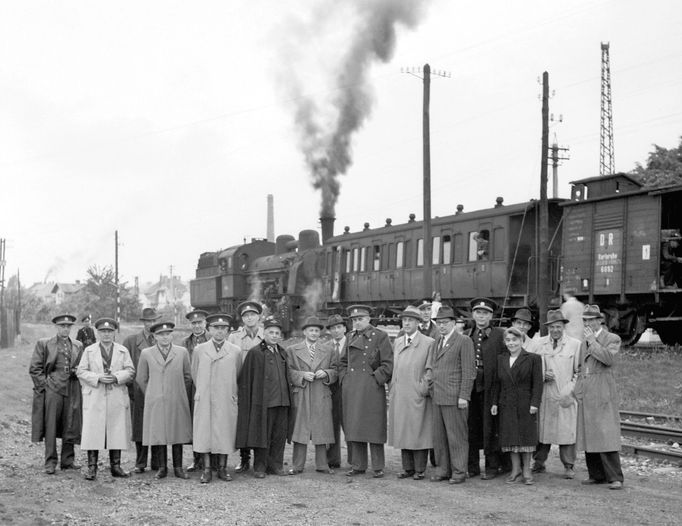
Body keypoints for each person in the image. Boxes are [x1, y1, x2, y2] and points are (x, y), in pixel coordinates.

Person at [77, 318, 134, 481]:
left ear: (114, 332)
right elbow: (80, 371)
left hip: (116, 393)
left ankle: (115, 466)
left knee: (116, 429)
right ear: (97, 333)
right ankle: (92, 467)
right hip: (96, 394)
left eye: (109, 331)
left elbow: (130, 370)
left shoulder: (122, 350)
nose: (106, 334)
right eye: (103, 331)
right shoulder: (89, 351)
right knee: (93, 430)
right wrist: (98, 377)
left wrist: (117, 377)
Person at [339, 305, 393, 478]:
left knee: (374, 426)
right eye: (354, 320)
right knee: (354, 426)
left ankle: (378, 466)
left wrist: (374, 378)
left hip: (371, 389)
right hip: (352, 388)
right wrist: (345, 379)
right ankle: (358, 465)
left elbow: (388, 364)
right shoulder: (349, 337)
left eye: (360, 319)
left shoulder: (381, 336)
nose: (357, 322)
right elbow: (342, 362)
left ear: (369, 319)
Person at [235, 316, 293, 479]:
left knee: (279, 435)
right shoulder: (255, 353)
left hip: (282, 401)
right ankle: (260, 466)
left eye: (277, 333)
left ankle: (276, 465)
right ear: (264, 333)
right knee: (262, 435)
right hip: (264, 402)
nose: (274, 335)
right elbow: (246, 380)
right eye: (271, 332)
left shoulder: (282, 352)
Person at [575, 304, 625, 490]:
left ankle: (615, 477)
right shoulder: (583, 343)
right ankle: (596, 474)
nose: (588, 323)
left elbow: (609, 359)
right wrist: (578, 391)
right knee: (590, 433)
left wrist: (592, 342)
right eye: (585, 320)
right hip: (587, 392)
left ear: (599, 320)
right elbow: (581, 368)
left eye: (591, 319)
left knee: (606, 433)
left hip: (603, 390)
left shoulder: (612, 338)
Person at [425, 306, 475, 484]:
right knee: (439, 437)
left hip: (454, 397)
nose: (442, 326)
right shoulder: (436, 340)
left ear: (454, 323)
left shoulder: (463, 341)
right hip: (437, 396)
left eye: (445, 322)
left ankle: (459, 471)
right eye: (439, 323)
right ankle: (442, 470)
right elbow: (433, 365)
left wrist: (464, 396)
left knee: (456, 437)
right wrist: (431, 386)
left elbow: (469, 371)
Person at [136, 321, 192, 480]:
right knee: (158, 433)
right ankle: (162, 467)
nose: (165, 337)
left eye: (168, 334)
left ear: (172, 335)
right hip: (156, 400)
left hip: (177, 398)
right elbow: (141, 378)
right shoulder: (147, 353)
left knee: (178, 432)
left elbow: (187, 377)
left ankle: (178, 467)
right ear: (154, 336)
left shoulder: (182, 352)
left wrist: (180, 392)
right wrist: (153, 393)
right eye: (161, 334)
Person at [192, 313, 243, 483]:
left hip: (226, 397)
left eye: (223, 328)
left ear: (228, 331)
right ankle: (207, 469)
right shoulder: (199, 350)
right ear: (209, 330)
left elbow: (238, 374)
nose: (220, 331)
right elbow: (194, 373)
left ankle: (222, 468)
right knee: (204, 432)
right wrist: (204, 389)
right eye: (216, 328)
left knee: (225, 432)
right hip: (205, 397)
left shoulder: (235, 351)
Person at [29, 314, 83, 474]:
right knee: (51, 425)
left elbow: (82, 365)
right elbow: (35, 368)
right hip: (53, 389)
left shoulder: (77, 345)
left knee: (70, 422)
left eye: (68, 326)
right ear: (56, 327)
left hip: (72, 387)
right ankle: (50, 462)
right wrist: (45, 385)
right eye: (62, 326)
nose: (65, 329)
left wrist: (77, 371)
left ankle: (67, 461)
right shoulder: (44, 344)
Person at [531, 310, 581, 479]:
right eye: (552, 327)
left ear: (563, 327)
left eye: (558, 326)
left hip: (565, 394)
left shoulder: (575, 344)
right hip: (545, 394)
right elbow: (532, 367)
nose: (555, 330)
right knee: (542, 432)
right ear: (548, 328)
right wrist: (542, 375)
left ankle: (568, 466)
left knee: (566, 432)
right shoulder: (539, 344)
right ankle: (538, 462)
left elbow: (579, 371)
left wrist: (570, 389)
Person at [490, 327, 543, 485]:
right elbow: (496, 383)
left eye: (515, 340)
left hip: (525, 404)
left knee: (526, 438)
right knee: (510, 437)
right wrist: (494, 403)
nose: (511, 343)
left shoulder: (533, 358)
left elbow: (538, 384)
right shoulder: (501, 359)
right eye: (508, 340)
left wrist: (534, 403)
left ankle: (527, 471)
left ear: (521, 341)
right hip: (506, 403)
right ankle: (515, 470)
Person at [387, 306, 435, 480]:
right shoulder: (398, 341)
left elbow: (430, 369)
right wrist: (393, 386)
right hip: (400, 393)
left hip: (417, 394)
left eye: (411, 320)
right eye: (404, 320)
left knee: (419, 430)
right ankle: (407, 468)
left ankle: (419, 469)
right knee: (403, 429)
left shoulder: (428, 342)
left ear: (418, 323)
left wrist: (422, 388)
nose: (406, 323)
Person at [287, 316, 338, 475]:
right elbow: (287, 372)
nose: (314, 333)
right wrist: (301, 375)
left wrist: (327, 373)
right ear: (304, 332)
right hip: (301, 393)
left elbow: (336, 370)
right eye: (311, 330)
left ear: (320, 333)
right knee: (300, 430)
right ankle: (297, 465)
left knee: (321, 429)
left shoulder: (329, 350)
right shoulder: (292, 350)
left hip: (321, 393)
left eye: (317, 330)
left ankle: (322, 465)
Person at [465, 297, 506, 479]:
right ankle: (472, 467)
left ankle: (492, 467)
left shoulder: (499, 335)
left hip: (491, 388)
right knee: (471, 427)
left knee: (490, 428)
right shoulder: (467, 334)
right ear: (473, 314)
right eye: (478, 312)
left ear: (491, 316)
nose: (481, 316)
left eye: (485, 313)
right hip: (471, 388)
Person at [123, 307, 161, 473]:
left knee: (158, 425)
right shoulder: (131, 341)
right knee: (140, 427)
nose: (151, 324)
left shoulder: (162, 339)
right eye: (148, 321)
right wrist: (132, 388)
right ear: (143, 323)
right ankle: (140, 463)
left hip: (158, 390)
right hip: (138, 391)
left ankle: (158, 462)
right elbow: (126, 367)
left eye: (153, 321)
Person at [228, 300, 264, 474]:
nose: (250, 318)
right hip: (241, 384)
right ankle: (244, 459)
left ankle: (260, 460)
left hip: (261, 384)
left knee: (259, 420)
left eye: (253, 315)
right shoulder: (234, 337)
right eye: (246, 315)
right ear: (242, 319)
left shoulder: (266, 335)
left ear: (259, 316)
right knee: (242, 421)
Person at [182, 308, 211, 473]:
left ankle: (211, 459)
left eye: (199, 322)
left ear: (205, 323)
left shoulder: (212, 339)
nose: (197, 326)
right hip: (193, 386)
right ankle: (197, 458)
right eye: (194, 323)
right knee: (195, 421)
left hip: (210, 385)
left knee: (210, 419)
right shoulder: (186, 343)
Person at [325, 314, 349, 469]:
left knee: (350, 425)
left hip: (349, 390)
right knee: (331, 425)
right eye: (333, 328)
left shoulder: (353, 343)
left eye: (339, 327)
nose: (336, 331)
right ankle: (333, 460)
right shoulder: (326, 347)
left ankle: (355, 460)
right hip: (331, 390)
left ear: (345, 328)